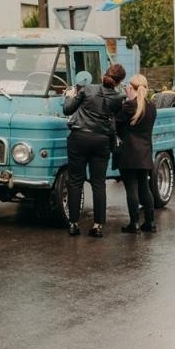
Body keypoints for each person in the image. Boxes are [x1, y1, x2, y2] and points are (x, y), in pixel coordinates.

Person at [61, 63, 126, 237]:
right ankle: (97, 226)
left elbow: (68, 109)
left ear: (105, 74)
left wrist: (69, 96)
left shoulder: (87, 89)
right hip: (101, 141)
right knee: (99, 183)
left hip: (79, 138)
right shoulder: (119, 97)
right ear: (120, 81)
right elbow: (116, 118)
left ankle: (74, 223)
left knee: (75, 181)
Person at [116, 73, 158, 234]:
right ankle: (150, 221)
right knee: (144, 187)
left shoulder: (128, 106)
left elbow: (116, 124)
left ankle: (134, 223)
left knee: (131, 188)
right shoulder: (152, 106)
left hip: (128, 153)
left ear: (131, 88)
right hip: (145, 153)